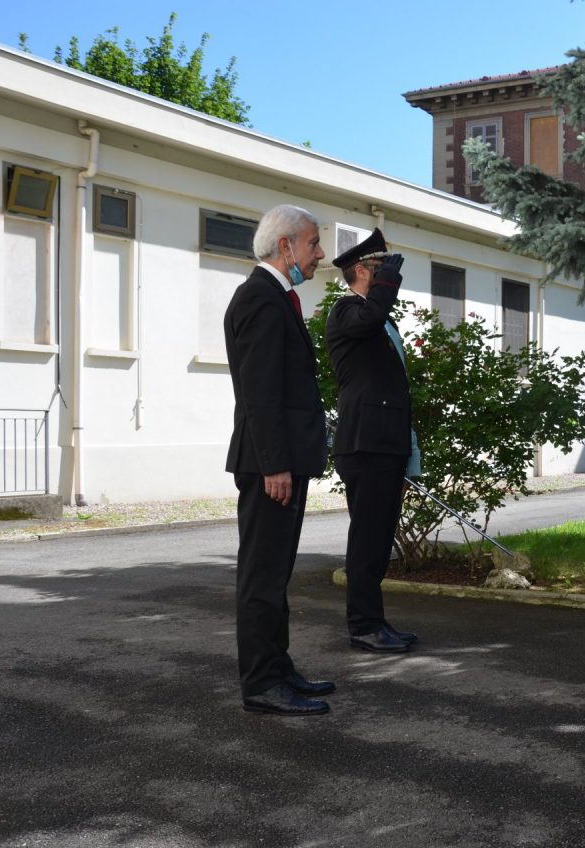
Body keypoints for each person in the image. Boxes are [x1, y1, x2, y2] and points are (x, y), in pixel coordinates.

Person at [224, 204, 333, 717]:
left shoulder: (276, 297)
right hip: (271, 464)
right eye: (314, 243)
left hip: (282, 459)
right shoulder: (260, 299)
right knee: (262, 576)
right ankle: (262, 683)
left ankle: (278, 667)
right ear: (285, 245)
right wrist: (273, 465)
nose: (321, 254)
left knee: (276, 573)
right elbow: (260, 391)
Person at [325, 230, 422, 655]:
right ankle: (363, 625)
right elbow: (369, 318)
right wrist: (387, 286)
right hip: (365, 445)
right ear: (361, 271)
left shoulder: (378, 319)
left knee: (380, 539)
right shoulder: (347, 311)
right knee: (367, 540)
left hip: (386, 444)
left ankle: (375, 621)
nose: (390, 278)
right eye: (381, 270)